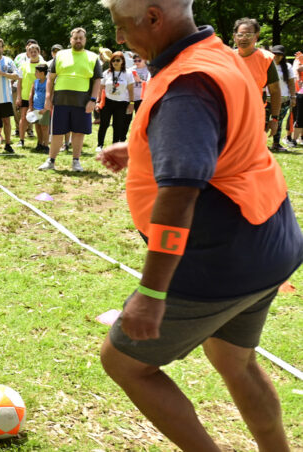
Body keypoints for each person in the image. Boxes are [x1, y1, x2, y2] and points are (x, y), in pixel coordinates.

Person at [97, 2, 301, 451]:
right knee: (234, 359)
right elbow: (217, 134)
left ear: (152, 17)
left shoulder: (186, 85)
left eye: (121, 27)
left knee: (124, 362)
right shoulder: (217, 53)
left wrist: (151, 295)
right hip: (270, 238)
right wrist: (142, 146)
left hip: (221, 256)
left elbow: (180, 194)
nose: (118, 39)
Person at [39, 27, 101, 172]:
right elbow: (50, 78)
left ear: (85, 40)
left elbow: (97, 80)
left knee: (79, 132)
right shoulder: (60, 55)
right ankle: (51, 161)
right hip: (61, 101)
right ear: (70, 40)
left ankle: (76, 162)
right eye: (75, 38)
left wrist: (93, 100)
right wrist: (48, 97)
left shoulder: (93, 57)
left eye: (81, 38)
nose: (78, 40)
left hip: (83, 102)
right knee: (57, 132)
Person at [232, 18, 282, 138]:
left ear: (256, 36)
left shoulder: (266, 59)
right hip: (229, 116)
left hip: (254, 117)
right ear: (234, 37)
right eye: (240, 34)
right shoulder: (226, 58)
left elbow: (275, 91)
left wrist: (274, 119)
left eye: (249, 35)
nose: (244, 38)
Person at [96, 51, 135, 151]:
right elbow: (100, 89)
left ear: (123, 61)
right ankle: (100, 145)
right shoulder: (107, 73)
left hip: (122, 103)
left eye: (118, 60)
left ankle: (115, 146)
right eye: (113, 60)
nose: (115, 62)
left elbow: (131, 90)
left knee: (118, 125)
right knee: (104, 124)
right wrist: (97, 101)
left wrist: (131, 103)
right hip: (108, 102)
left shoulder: (128, 73)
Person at [267, 45, 296, 151]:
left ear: (283, 56)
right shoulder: (266, 64)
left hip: (283, 99)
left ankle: (276, 143)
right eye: (275, 54)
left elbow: (291, 83)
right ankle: (261, 144)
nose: (277, 56)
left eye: (280, 54)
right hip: (267, 98)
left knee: (278, 122)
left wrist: (293, 97)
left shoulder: (287, 67)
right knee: (263, 122)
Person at [15, 43, 45, 148]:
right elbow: (19, 82)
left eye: (35, 51)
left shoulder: (44, 65)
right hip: (25, 96)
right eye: (30, 52)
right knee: (24, 118)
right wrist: (18, 96)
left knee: (38, 120)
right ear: (28, 53)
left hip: (39, 98)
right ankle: (21, 140)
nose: (33, 53)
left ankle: (41, 142)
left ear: (39, 52)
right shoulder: (23, 65)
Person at [28, 63, 50, 151]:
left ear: (42, 73)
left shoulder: (48, 82)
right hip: (35, 107)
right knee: (37, 126)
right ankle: (39, 143)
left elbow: (50, 95)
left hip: (44, 108)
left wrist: (45, 108)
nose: (35, 73)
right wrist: (30, 107)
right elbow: (31, 94)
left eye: (36, 72)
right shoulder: (35, 82)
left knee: (44, 127)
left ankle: (45, 144)